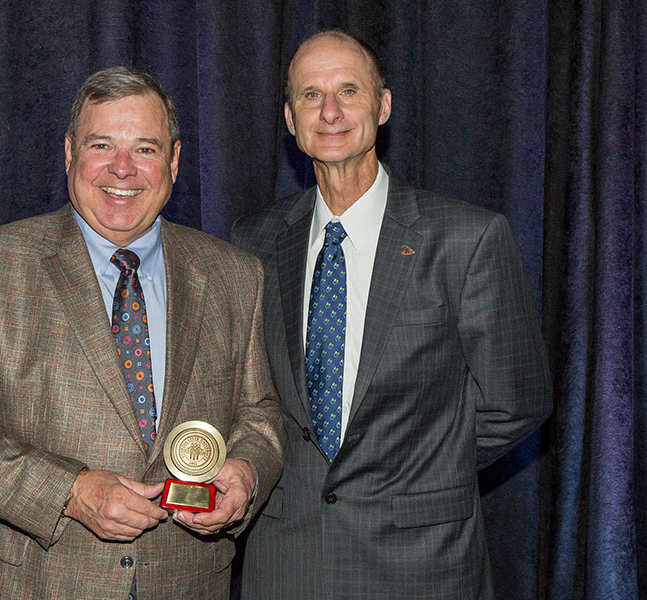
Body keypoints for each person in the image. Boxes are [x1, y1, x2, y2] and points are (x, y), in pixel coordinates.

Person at [0, 66, 285, 600]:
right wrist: (69, 491)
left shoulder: (234, 275)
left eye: (146, 149)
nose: (123, 168)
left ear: (174, 161)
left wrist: (246, 472)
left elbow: (260, 411)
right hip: (29, 584)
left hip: (186, 582)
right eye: (101, 144)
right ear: (69, 153)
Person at [232, 31, 552, 598]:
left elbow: (517, 400)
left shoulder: (466, 238)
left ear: (383, 106)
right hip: (285, 563)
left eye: (348, 91)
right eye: (311, 95)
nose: (329, 111)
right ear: (289, 118)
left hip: (420, 563)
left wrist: (419, 467)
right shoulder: (253, 241)